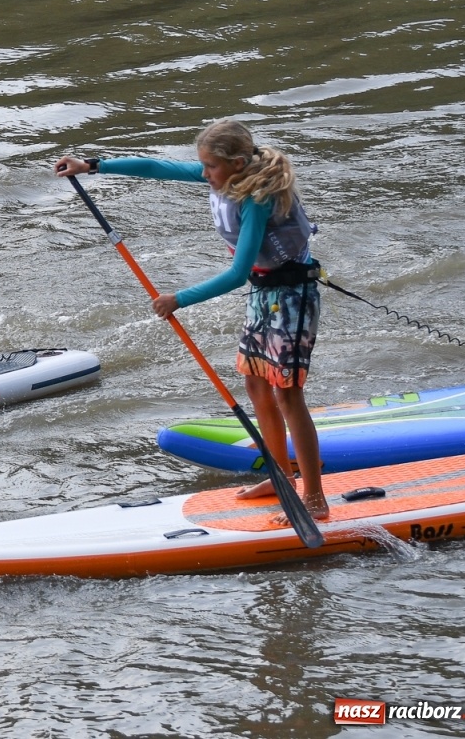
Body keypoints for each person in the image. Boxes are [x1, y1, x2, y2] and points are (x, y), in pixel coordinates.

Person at [54, 119, 328, 522]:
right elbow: (156, 167)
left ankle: (315, 498)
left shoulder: (256, 200)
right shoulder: (224, 176)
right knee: (255, 384)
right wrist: (91, 166)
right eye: (203, 165)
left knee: (288, 395)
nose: (204, 173)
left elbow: (237, 273)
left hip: (292, 298)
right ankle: (280, 478)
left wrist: (178, 299)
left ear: (237, 163)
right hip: (264, 295)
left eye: (210, 166)